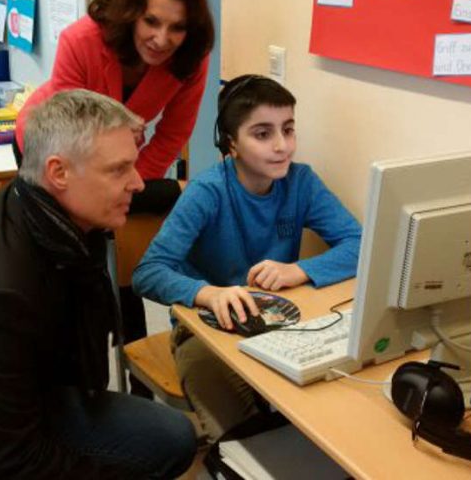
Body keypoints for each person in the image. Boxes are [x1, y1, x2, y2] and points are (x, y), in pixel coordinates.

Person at [0, 90, 197, 479]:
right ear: (58, 172)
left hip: (23, 402)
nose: (138, 184)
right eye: (118, 170)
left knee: (171, 436)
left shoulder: (44, 206)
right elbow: (14, 462)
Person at [133, 75, 363, 442]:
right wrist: (209, 293)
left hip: (283, 323)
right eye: (262, 134)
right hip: (205, 334)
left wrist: (299, 269)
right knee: (240, 439)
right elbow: (148, 271)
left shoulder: (301, 182)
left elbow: (360, 243)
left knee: (325, 416)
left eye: (288, 130)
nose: (282, 146)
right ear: (231, 145)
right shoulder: (207, 192)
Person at [15, 0, 215, 181]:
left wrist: (131, 182)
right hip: (49, 145)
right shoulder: (80, 40)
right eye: (151, 21)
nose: (161, 39)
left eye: (177, 28)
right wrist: (116, 135)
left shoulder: (191, 56)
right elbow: (67, 135)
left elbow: (173, 134)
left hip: (109, 157)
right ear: (131, 14)